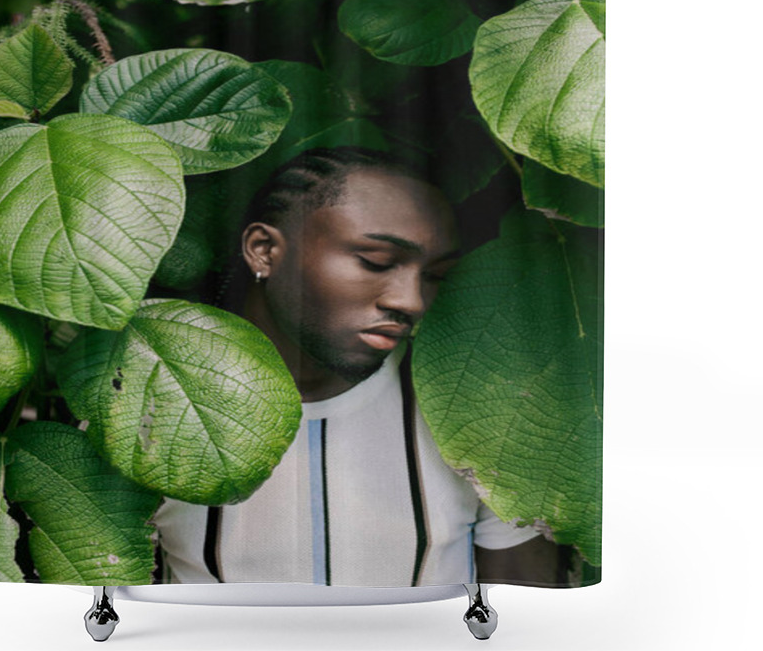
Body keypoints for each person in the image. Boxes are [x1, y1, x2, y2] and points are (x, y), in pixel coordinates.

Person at [154, 147, 563, 587]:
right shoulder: (145, 400)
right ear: (264, 249)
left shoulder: (479, 411)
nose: (411, 301)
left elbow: (523, 609)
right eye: (376, 261)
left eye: (435, 275)